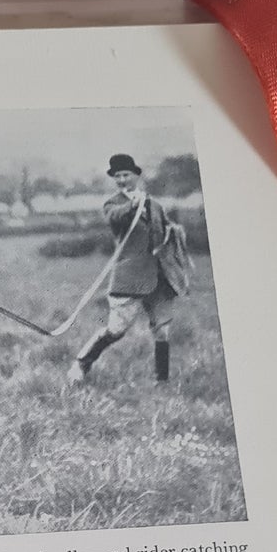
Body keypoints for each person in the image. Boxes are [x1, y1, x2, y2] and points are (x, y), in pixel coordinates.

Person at [71, 152, 191, 384]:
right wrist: (132, 207)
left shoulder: (155, 205)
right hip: (130, 278)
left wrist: (175, 233)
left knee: (162, 331)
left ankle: (162, 381)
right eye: (117, 176)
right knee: (116, 330)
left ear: (136, 175)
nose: (122, 180)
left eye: (125, 175)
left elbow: (164, 229)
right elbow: (115, 217)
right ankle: (81, 364)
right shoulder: (113, 204)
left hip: (160, 277)